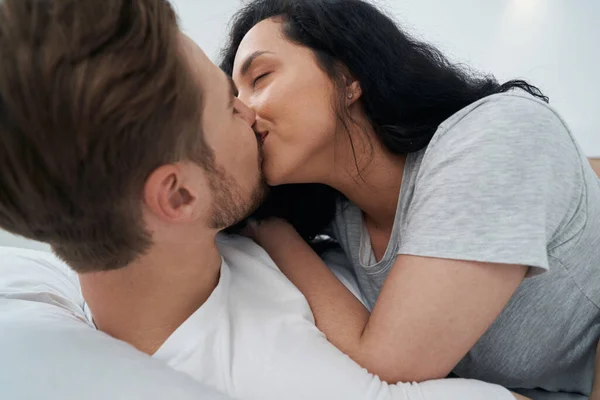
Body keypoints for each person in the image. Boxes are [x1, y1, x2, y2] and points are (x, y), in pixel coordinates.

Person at [0, 0, 526, 399]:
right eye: (230, 105)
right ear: (179, 195)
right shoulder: (286, 378)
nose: (250, 115)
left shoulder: (244, 223)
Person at [220, 0, 600, 397]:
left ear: (349, 75)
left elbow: (391, 362)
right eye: (232, 97)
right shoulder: (344, 216)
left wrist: (272, 231)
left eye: (260, 77)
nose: (243, 112)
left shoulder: (497, 136)